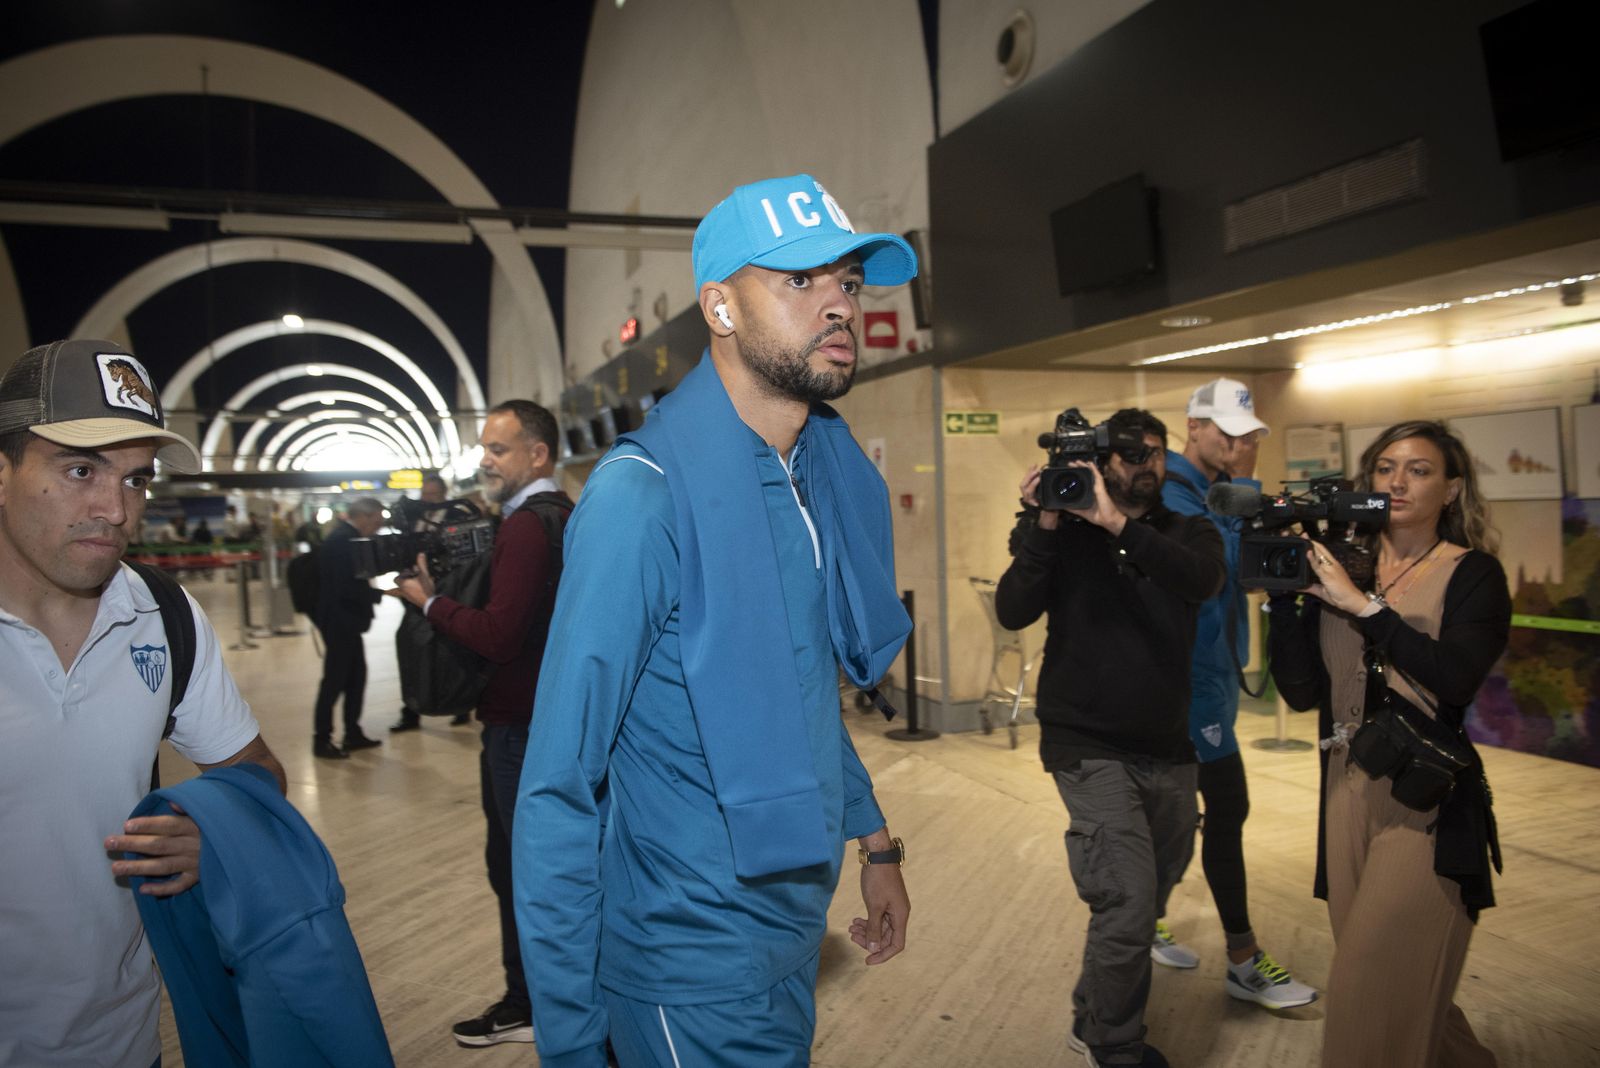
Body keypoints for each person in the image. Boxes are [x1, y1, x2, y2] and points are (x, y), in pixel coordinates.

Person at [514, 173, 915, 1068]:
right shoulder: (643, 499)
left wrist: (876, 839)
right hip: (684, 964)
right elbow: (556, 787)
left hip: (789, 936)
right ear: (721, 308)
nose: (838, 306)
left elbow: (799, 690)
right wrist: (572, 1042)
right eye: (799, 282)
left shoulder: (811, 477)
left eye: (847, 282)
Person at [0, 338, 286, 1068]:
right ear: (1, 474)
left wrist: (210, 833)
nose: (114, 509)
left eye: (136, 480)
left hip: (123, 1040)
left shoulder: (163, 614)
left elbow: (256, 770)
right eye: (79, 470)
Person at [1268, 420, 1509, 1068]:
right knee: (1394, 984)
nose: (1398, 482)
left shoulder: (1473, 574)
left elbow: (1456, 676)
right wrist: (1285, 602)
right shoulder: (1343, 564)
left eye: (1420, 469)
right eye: (1385, 468)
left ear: (1453, 488)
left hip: (1426, 797)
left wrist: (1366, 608)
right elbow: (1298, 692)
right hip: (1345, 792)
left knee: (1365, 996)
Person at [997, 408, 1225, 1068]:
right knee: (1126, 901)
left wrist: (1115, 524)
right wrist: (1045, 516)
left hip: (1168, 744)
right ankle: (1113, 1044)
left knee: (1153, 888)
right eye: (1130, 455)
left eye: (1156, 454)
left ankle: (1091, 1010)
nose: (1146, 465)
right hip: (1084, 740)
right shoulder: (1062, 531)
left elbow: (1200, 580)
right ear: (1102, 461)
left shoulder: (1189, 529)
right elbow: (1014, 607)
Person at [391, 404, 573, 1048]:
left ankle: (530, 1004)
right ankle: (560, 999)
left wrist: (429, 602)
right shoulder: (562, 517)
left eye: (499, 449)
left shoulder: (526, 528)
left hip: (517, 731)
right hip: (549, 721)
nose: (485, 461)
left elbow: (499, 635)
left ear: (538, 454)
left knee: (519, 871)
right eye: (484, 449)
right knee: (546, 870)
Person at [1158, 378, 1318, 1009]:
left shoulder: (1205, 492)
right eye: (1224, 431)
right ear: (1192, 427)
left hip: (1214, 677)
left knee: (1181, 819)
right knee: (1222, 812)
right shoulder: (1172, 494)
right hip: (1188, 685)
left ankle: (1144, 919)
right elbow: (1216, 570)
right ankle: (1244, 958)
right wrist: (1245, 492)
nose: (1236, 443)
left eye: (1246, 434)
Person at [310, 497, 386, 759]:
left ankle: (352, 732)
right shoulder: (343, 541)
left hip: (346, 622)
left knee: (355, 678)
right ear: (364, 516)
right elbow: (347, 587)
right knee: (334, 681)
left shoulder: (346, 537)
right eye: (377, 518)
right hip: (340, 621)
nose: (380, 524)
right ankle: (322, 739)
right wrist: (380, 595)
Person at [389, 472, 450, 734]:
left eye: (433, 495)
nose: (428, 500)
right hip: (414, 597)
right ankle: (411, 711)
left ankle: (459, 705)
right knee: (411, 647)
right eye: (425, 495)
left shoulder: (456, 517)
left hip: (445, 595)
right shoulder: (412, 519)